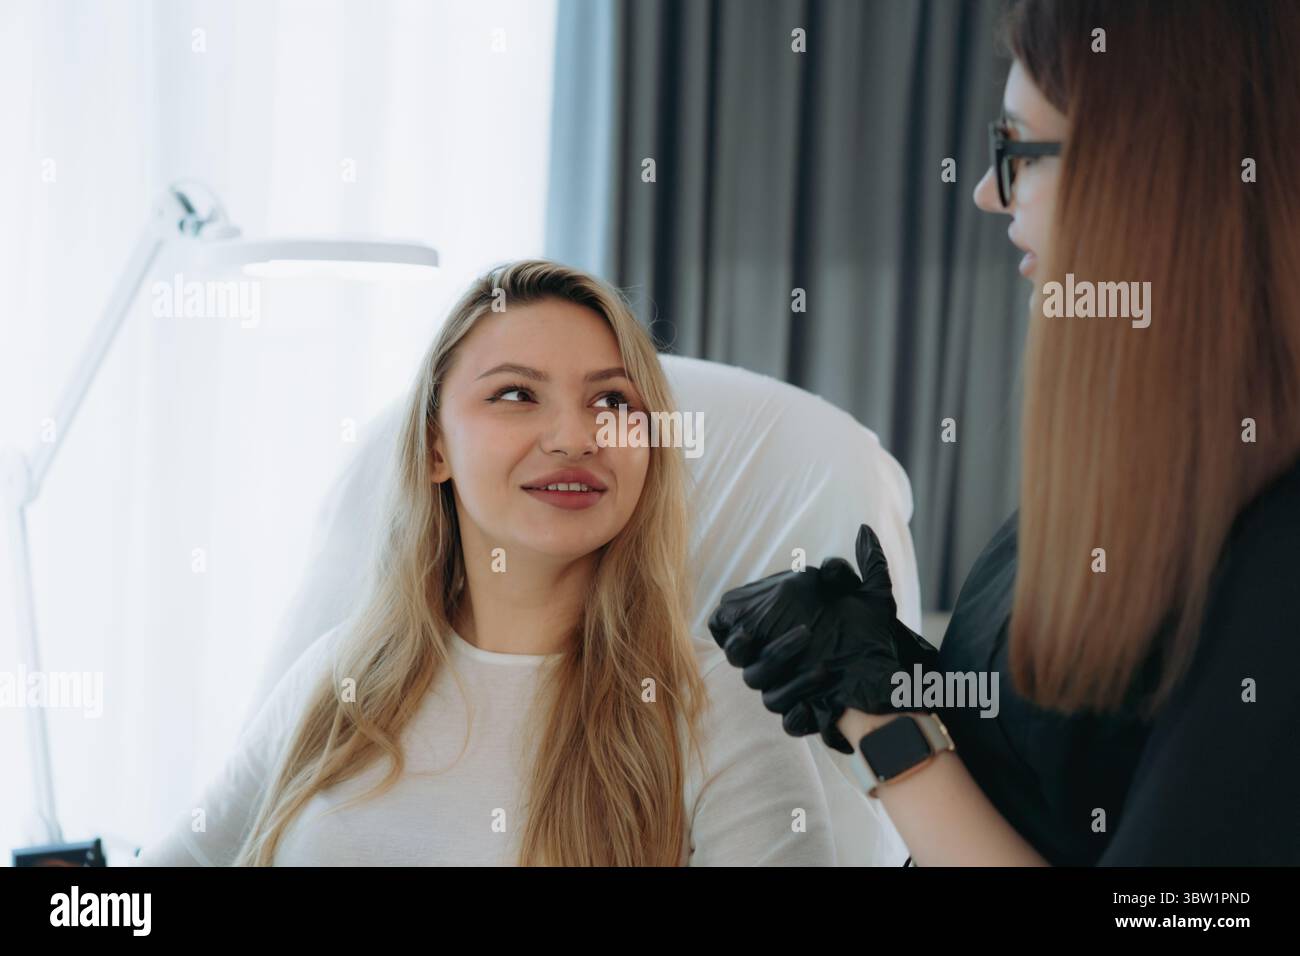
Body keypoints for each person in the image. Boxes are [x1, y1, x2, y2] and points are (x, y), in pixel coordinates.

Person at [709, 0, 1300, 866]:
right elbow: (1058, 770)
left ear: (1160, 178)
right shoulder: (1136, 485)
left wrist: (885, 726)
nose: (990, 193)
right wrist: (898, 672)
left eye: (1018, 151)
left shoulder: (1278, 554)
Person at [134, 259, 837, 866]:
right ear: (436, 448)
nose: (573, 437)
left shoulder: (716, 708)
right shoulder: (339, 676)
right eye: (515, 394)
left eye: (612, 400)